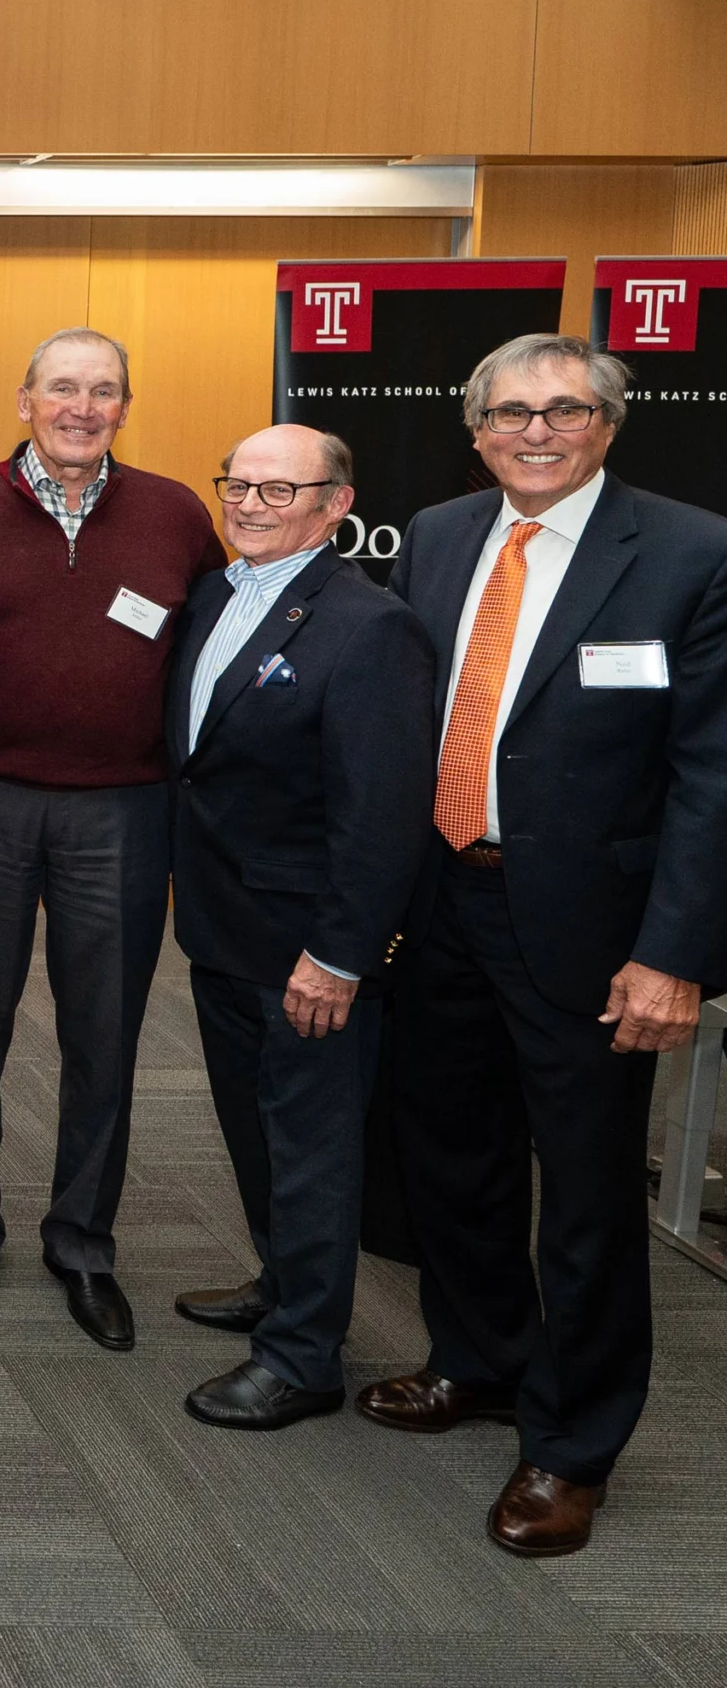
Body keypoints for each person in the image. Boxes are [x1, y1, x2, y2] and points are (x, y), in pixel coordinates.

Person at [358, 334, 727, 1556]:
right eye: (507, 411)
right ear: (473, 428)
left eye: (563, 409)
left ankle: (571, 1443)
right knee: (450, 1157)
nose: (534, 430)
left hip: (593, 930)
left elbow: (709, 776)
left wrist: (673, 953)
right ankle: (478, 1361)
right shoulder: (439, 530)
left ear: (606, 424)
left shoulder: (687, 550)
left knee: (582, 1195)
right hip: (444, 900)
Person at [0, 328, 226, 1350]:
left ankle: (83, 1240)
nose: (80, 406)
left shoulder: (177, 513)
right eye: (62, 387)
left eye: (102, 391)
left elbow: (216, 645)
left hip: (123, 807)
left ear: (124, 408)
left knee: (105, 1032)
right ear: (24, 399)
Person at [163, 425, 434, 1430]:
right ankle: (284, 1284)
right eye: (237, 483)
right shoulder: (212, 596)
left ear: (336, 504)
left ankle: (304, 1353)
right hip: (220, 928)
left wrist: (339, 951)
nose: (250, 503)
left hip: (307, 947)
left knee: (311, 1142)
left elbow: (382, 811)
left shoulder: (368, 627)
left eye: (280, 491)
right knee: (253, 1127)